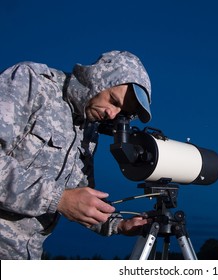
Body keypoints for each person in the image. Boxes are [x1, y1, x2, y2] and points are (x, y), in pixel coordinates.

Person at [0, 50, 152, 259]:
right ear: (97, 79)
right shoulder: (32, 83)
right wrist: (58, 199)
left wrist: (119, 224)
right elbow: (64, 199)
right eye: (114, 101)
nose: (112, 114)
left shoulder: (88, 129)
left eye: (121, 112)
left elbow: (80, 194)